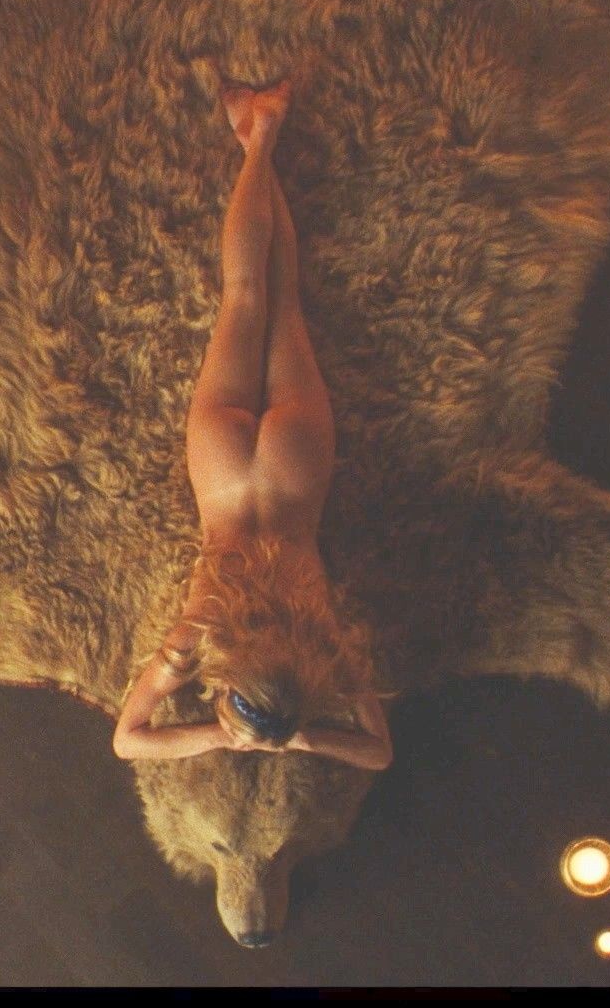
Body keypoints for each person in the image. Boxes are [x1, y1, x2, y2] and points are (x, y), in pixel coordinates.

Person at [111, 77, 391, 772]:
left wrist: (298, 735)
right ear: (229, 685)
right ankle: (257, 139)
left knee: (282, 300)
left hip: (294, 468)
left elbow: (379, 753)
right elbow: (128, 740)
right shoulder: (196, 634)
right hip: (223, 468)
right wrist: (217, 735)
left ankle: (261, 138)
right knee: (242, 297)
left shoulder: (324, 643)